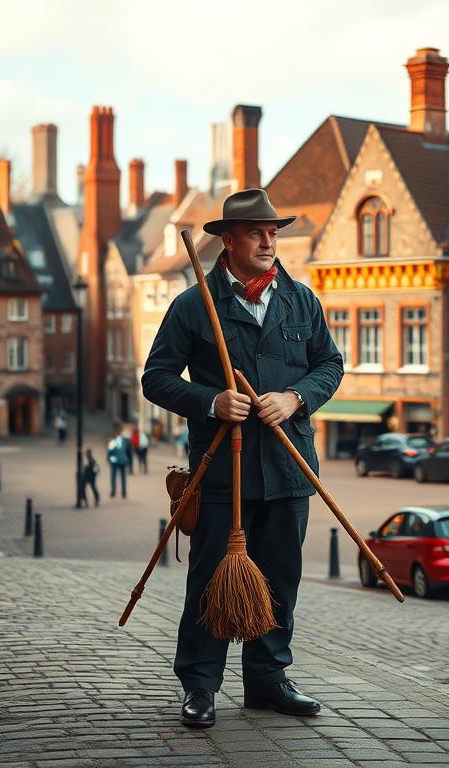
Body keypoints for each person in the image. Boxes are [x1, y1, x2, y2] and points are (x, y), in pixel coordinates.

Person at [142, 188, 344, 729]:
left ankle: (268, 679)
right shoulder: (193, 305)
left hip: (288, 467)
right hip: (219, 472)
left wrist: (296, 397)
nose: (267, 240)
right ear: (227, 241)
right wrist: (209, 400)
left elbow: (330, 364)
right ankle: (201, 686)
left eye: (273, 232)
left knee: (280, 579)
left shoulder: (302, 300)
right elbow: (155, 378)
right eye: (256, 232)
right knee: (210, 579)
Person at [107, 424, 130, 499]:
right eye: (116, 431)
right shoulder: (112, 440)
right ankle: (113, 492)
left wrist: (128, 459)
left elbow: (128, 450)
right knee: (113, 477)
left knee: (122, 478)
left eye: (118, 431)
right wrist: (109, 457)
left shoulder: (124, 440)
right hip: (114, 461)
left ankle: (123, 492)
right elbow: (109, 450)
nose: (117, 432)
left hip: (122, 461)